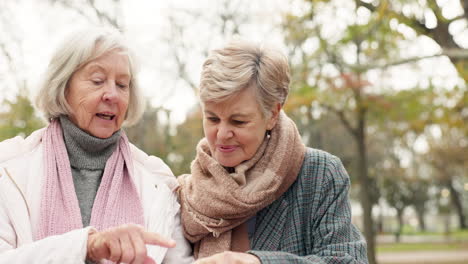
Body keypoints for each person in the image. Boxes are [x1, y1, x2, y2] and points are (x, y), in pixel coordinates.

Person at [0, 27, 193, 264]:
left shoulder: (158, 182)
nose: (112, 94)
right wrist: (86, 247)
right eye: (97, 81)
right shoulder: (8, 169)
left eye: (122, 85)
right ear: (63, 86)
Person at [177, 41, 368, 263]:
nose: (221, 135)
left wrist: (259, 262)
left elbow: (347, 260)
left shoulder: (319, 175)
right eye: (212, 118)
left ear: (272, 114)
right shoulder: (188, 193)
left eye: (238, 121)